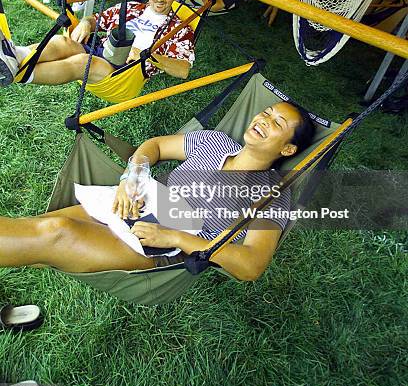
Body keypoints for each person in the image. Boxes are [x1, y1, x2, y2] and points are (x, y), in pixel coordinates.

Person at [0, 102, 315, 280]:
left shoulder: (272, 194)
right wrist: (132, 175)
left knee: (55, 232)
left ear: (287, 148)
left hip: (161, 245)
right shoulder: (215, 141)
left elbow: (252, 266)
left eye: (277, 122)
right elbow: (156, 146)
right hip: (135, 200)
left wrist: (176, 239)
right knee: (35, 237)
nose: (264, 118)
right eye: (267, 111)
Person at [0, 0, 194, 88]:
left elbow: (183, 70)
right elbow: (97, 19)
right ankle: (12, 55)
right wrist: (86, 22)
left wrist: (147, 56)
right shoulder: (133, 8)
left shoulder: (179, 29)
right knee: (63, 42)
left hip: (126, 70)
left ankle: (15, 73)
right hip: (102, 47)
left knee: (84, 62)